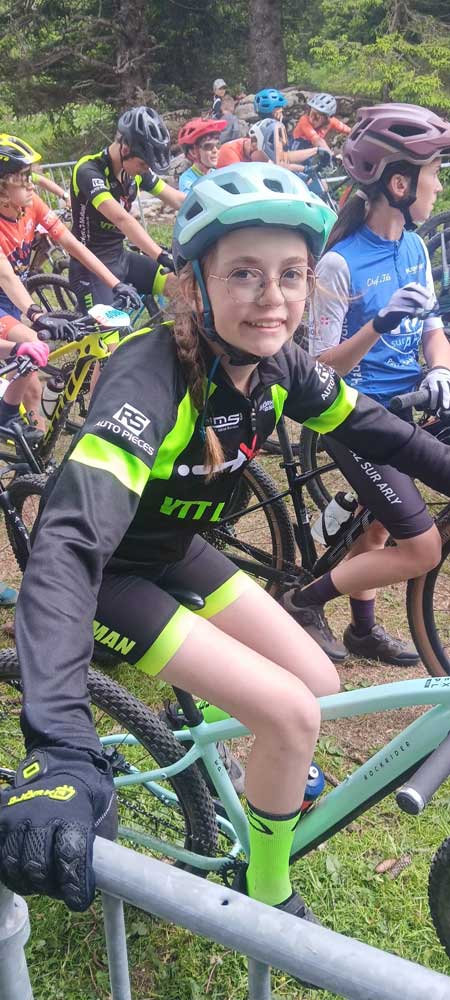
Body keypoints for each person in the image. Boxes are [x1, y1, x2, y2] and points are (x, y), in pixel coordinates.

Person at [3, 164, 450, 920]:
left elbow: (382, 433)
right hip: (110, 575)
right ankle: (265, 890)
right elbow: (71, 542)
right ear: (193, 285)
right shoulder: (150, 375)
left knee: (319, 683)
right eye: (244, 273)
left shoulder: (278, 366)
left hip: (175, 547)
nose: (273, 298)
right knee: (291, 715)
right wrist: (62, 742)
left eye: (291, 275)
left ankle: (234, 770)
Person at [289, 102, 450, 665]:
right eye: (434, 174)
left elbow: (433, 328)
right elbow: (318, 370)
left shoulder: (414, 246)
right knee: (422, 548)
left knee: (379, 527)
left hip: (408, 408)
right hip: (354, 414)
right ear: (399, 184)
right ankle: (302, 602)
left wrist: (440, 369)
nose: (438, 185)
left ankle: (362, 631)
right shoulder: (340, 264)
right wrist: (377, 326)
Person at [0, 134, 139, 434]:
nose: (32, 185)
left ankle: (34, 454)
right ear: (2, 189)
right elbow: (6, 276)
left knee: (33, 389)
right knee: (32, 346)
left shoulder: (31, 205)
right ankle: (5, 415)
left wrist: (115, 283)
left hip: (11, 301)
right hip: (3, 300)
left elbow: (74, 245)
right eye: (23, 179)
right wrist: (38, 315)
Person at [69, 106, 184, 313]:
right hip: (91, 268)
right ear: (125, 149)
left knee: (182, 289)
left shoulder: (134, 171)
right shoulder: (89, 170)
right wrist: (160, 255)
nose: (145, 170)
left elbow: (176, 198)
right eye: (143, 164)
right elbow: (122, 219)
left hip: (120, 257)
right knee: (113, 333)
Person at [178, 119, 227, 193]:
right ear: (193, 152)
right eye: (208, 146)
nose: (215, 150)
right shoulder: (187, 180)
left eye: (217, 145)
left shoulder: (217, 173)